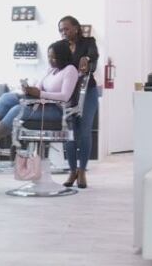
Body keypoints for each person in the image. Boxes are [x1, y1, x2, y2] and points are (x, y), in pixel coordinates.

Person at [0, 41, 78, 151]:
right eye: (49, 57)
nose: (50, 60)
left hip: (57, 110)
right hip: (42, 104)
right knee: (6, 98)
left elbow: (65, 96)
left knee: (17, 110)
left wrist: (40, 94)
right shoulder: (51, 70)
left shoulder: (70, 70)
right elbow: (39, 87)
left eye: (53, 57)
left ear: (63, 56)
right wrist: (29, 90)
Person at [58, 16, 98, 188]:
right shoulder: (61, 47)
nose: (63, 32)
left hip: (87, 91)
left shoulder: (88, 42)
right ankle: (72, 171)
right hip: (68, 94)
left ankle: (82, 171)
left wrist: (87, 60)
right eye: (61, 30)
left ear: (76, 28)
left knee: (84, 132)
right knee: (70, 132)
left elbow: (93, 56)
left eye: (66, 29)